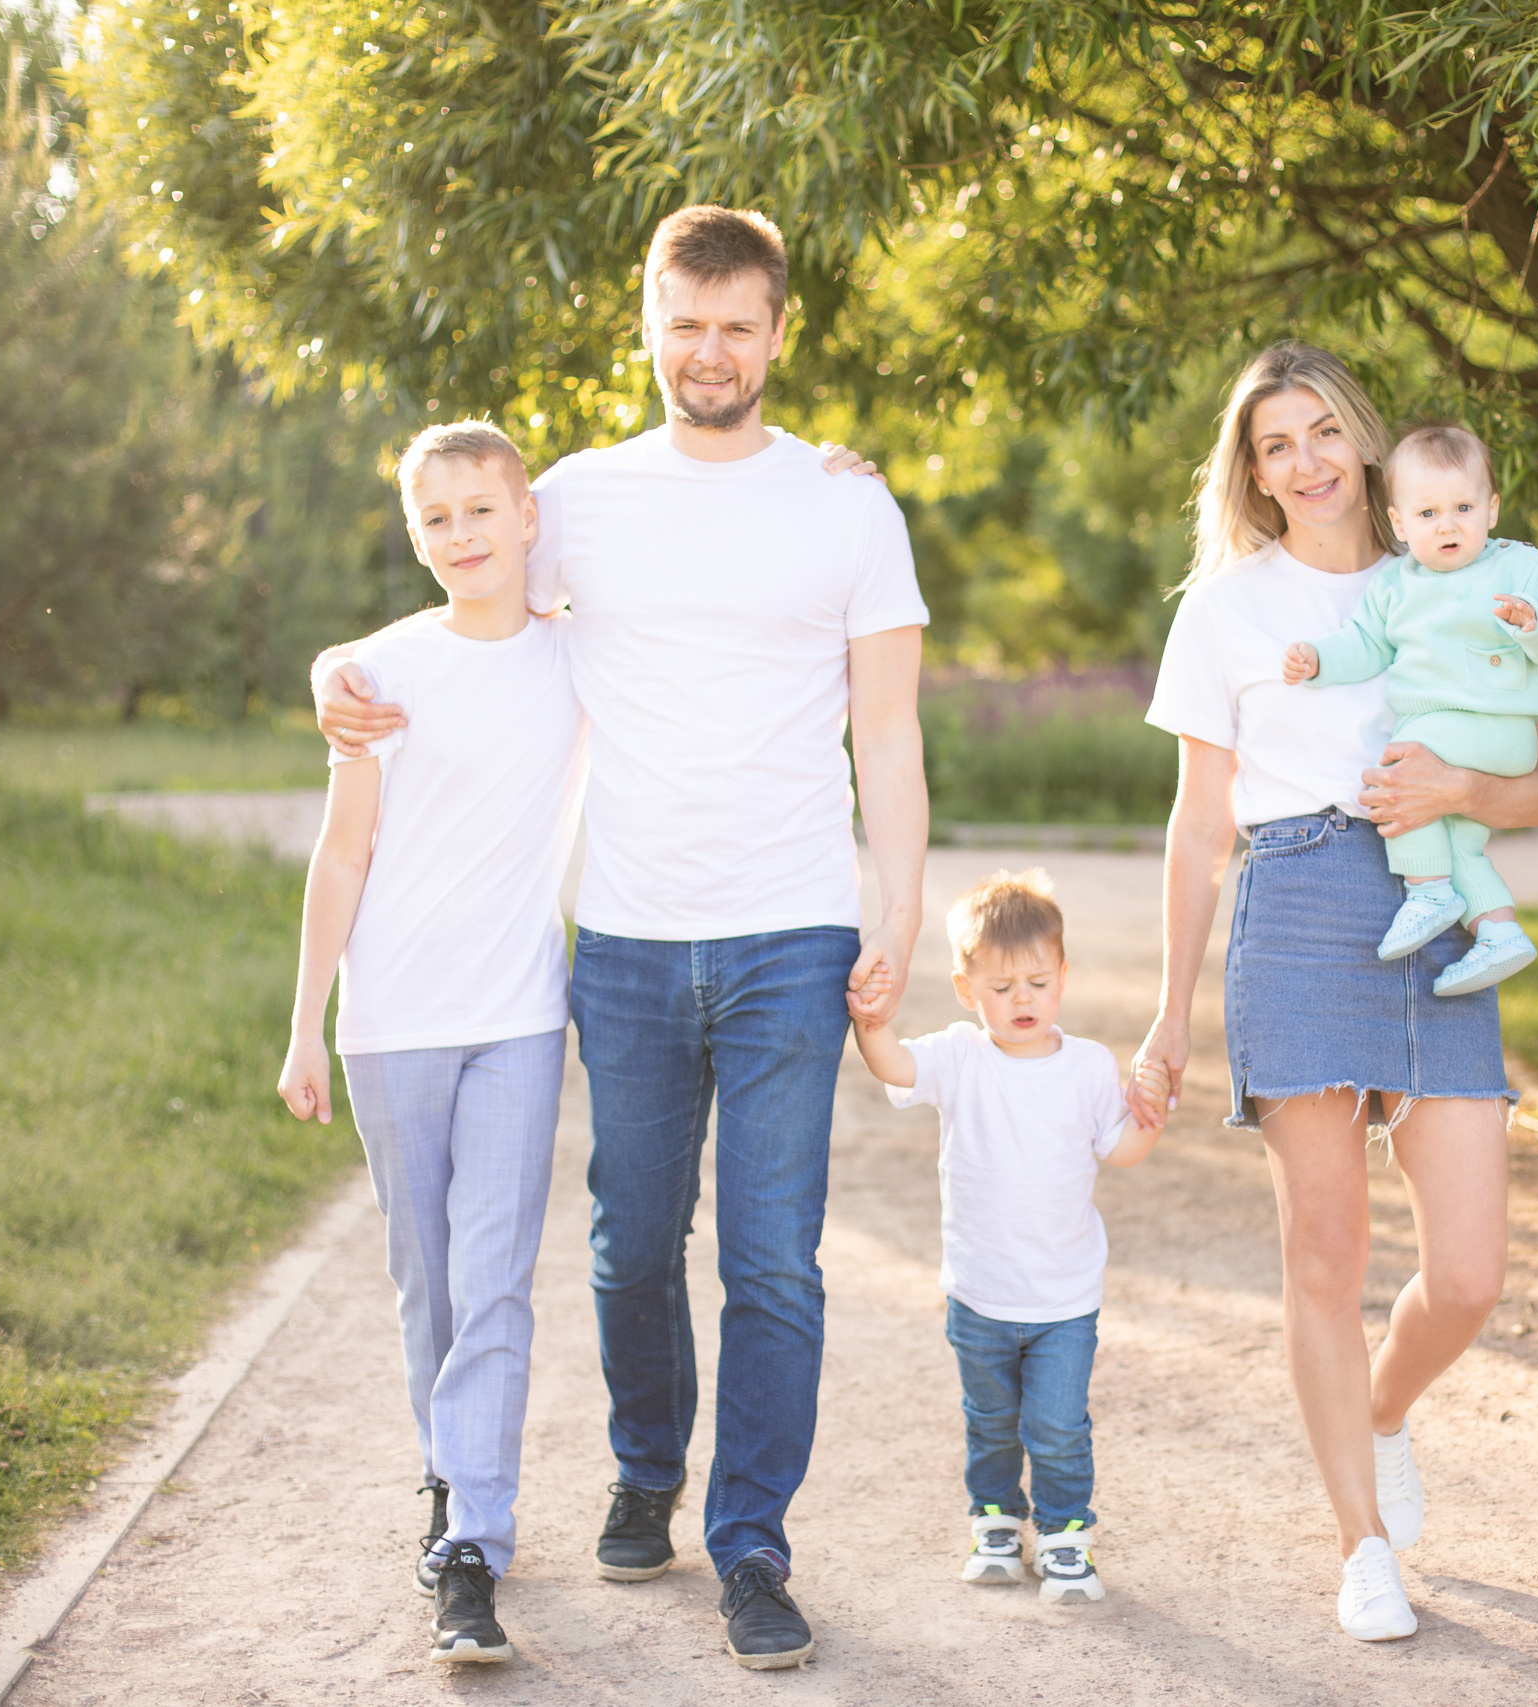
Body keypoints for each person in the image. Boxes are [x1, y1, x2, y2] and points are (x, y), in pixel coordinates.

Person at [313, 205, 926, 1672]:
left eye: (737, 324)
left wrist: (894, 908)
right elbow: (459, 583)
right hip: (632, 937)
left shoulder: (849, 507)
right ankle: (647, 1461)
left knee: (774, 1257)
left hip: (792, 929)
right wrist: (339, 670)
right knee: (633, 1239)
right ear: (647, 325)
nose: (709, 351)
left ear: (781, 333)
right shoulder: (575, 496)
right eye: (684, 322)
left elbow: (890, 731)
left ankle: (754, 1542)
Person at [1127, 344, 1538, 1643]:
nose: (1307, 460)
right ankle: (1359, 1539)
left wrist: (1462, 794)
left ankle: (1380, 1412)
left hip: (1432, 899)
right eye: (1277, 444)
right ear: (1251, 473)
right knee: (1323, 1251)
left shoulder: (1453, 563)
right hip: (1300, 901)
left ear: (1363, 442)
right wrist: (1168, 1008)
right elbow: (1200, 818)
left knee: (1471, 1273)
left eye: (1324, 430)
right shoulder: (1225, 608)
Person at [277, 421, 589, 1665]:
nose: (461, 536)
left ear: (526, 519)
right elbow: (342, 852)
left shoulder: (579, 661)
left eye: (480, 511)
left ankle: (474, 1543)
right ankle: (446, 1477)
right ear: (416, 537)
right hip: (392, 1023)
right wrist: (306, 1025)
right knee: (432, 1286)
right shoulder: (380, 674)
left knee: (497, 1280)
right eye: (436, 520)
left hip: (517, 1016)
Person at [848, 871, 1166, 1606]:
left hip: (1064, 1296)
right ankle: (994, 1518)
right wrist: (872, 1023)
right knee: (991, 1421)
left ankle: (1063, 1535)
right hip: (981, 1292)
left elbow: (1118, 1148)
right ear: (967, 989)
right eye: (1001, 987)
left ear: (1063, 977)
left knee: (1057, 1424)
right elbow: (898, 1066)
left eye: (1037, 981)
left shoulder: (1087, 1065)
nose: (1021, 999)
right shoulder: (962, 1055)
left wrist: (1151, 1116)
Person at [1282, 423, 1538, 995]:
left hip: (1494, 727)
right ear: (1399, 523)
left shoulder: (1516, 566)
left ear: (1492, 510)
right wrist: (1318, 658)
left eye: (1463, 507)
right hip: (1464, 739)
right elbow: (1364, 644)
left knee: (1402, 777)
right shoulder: (1396, 584)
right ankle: (1499, 932)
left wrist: (1534, 622)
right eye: (1427, 514)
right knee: (1457, 839)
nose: (1447, 524)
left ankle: (1428, 894)